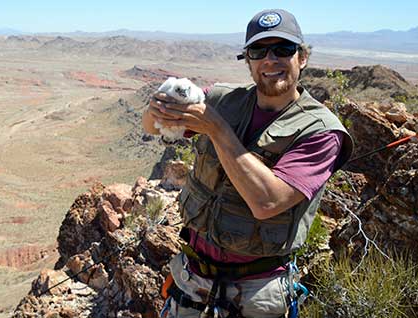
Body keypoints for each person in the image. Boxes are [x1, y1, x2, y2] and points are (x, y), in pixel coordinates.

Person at [142, 8, 353, 318]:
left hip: (258, 290)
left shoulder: (321, 131)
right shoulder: (221, 99)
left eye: (283, 49)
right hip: (191, 275)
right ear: (248, 59)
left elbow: (267, 202)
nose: (270, 59)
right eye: (258, 50)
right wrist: (161, 106)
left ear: (303, 57)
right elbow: (151, 126)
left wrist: (216, 128)